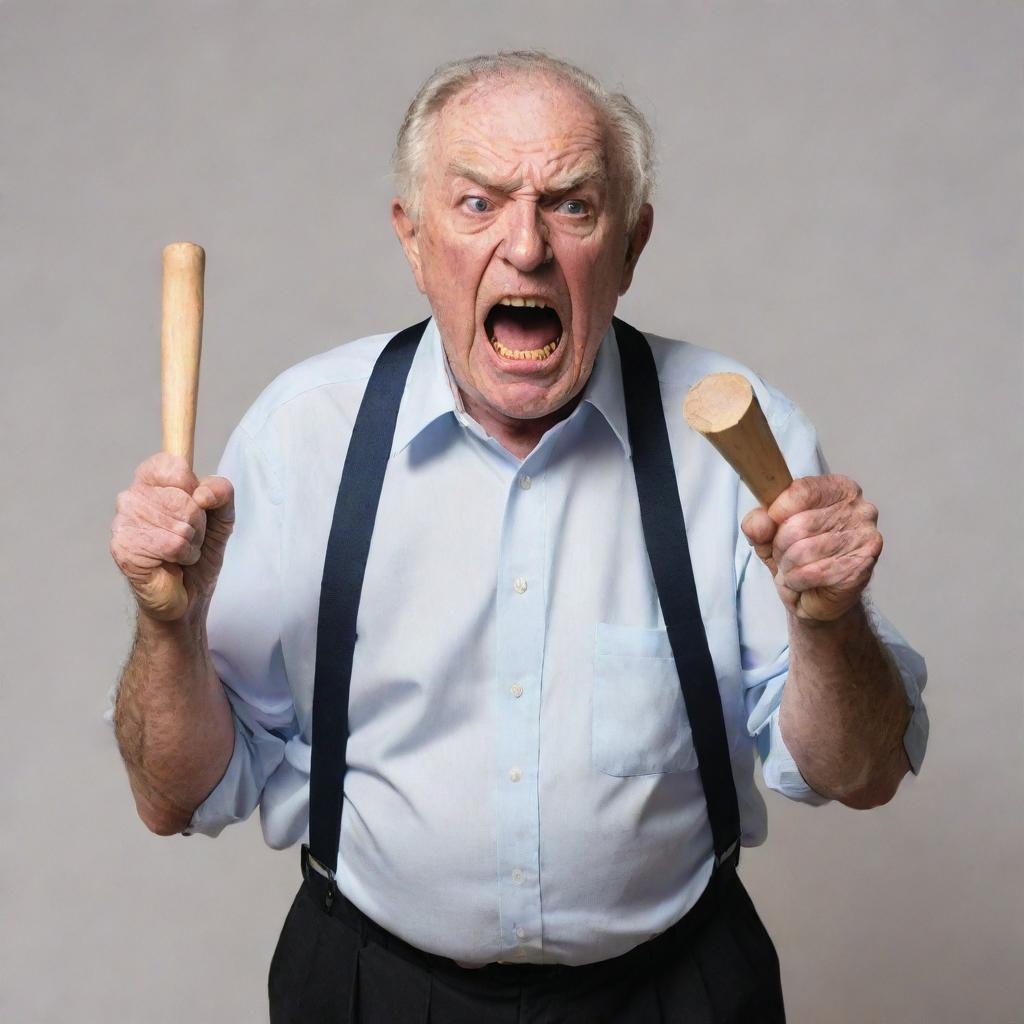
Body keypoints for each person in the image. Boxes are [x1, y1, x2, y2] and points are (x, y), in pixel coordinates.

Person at [109, 50, 928, 1023]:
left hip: (674, 991)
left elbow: (862, 771)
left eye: (572, 205)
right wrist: (171, 624)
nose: (526, 248)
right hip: (372, 991)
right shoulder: (303, 436)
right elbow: (172, 797)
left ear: (630, 246)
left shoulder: (739, 440)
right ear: (412, 241)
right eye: (477, 203)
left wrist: (831, 624)